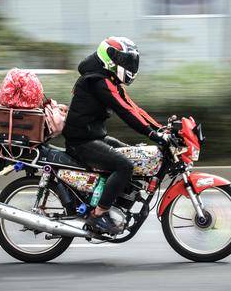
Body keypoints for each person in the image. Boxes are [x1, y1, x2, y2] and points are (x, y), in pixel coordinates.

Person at [63, 36, 170, 235]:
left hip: (94, 137)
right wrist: (152, 133)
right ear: (110, 58)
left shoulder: (109, 80)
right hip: (81, 142)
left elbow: (133, 108)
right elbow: (125, 112)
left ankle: (114, 203)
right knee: (124, 166)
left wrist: (160, 129)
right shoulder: (97, 81)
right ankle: (99, 214)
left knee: (134, 155)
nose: (129, 65)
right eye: (126, 60)